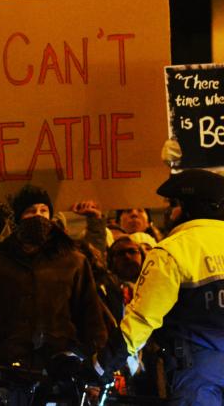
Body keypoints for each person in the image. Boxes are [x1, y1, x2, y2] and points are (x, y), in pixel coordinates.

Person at [95, 169, 224, 404]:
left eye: (175, 204)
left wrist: (100, 364)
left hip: (198, 375)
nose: (170, 211)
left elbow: (143, 319)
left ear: (191, 207)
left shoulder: (172, 250)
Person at [0, 185, 108, 376]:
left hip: (60, 366)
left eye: (43, 211)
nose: (38, 216)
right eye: (31, 211)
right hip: (10, 364)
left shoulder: (73, 260)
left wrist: (98, 364)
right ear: (17, 218)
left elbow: (90, 316)